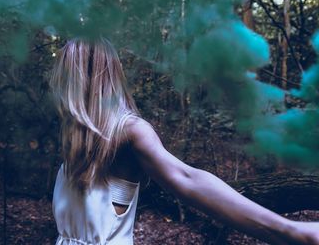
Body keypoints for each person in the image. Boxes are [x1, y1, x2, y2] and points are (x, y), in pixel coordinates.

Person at [49, 37, 319, 245]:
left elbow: (188, 179)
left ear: (85, 77)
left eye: (65, 70)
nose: (58, 79)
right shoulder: (80, 141)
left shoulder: (129, 130)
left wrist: (290, 230)